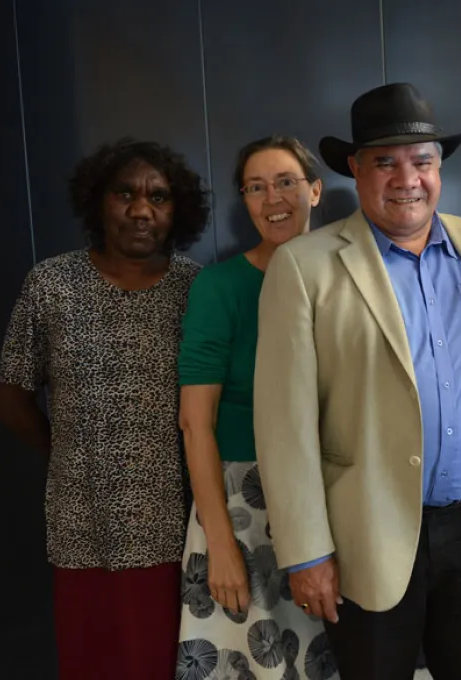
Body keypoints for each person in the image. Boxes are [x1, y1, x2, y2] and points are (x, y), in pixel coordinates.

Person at [253, 83, 461, 680]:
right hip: (365, 533)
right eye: (385, 162)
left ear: (439, 168)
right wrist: (307, 552)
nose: (407, 178)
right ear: (355, 168)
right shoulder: (305, 266)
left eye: (421, 162)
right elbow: (283, 425)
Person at [0, 139, 209, 679]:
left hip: (176, 522)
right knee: (93, 659)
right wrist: (69, 455)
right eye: (125, 194)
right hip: (80, 520)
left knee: (169, 660)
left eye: (158, 196)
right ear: (98, 202)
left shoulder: (196, 288)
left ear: (176, 209)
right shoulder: (50, 285)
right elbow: (12, 398)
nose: (142, 210)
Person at [174, 136, 336, 680]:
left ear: (315, 190)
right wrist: (220, 542)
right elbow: (195, 423)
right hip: (244, 506)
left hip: (337, 498)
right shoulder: (220, 288)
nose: (274, 198)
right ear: (244, 201)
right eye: (257, 187)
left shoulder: (348, 276)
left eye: (287, 181)